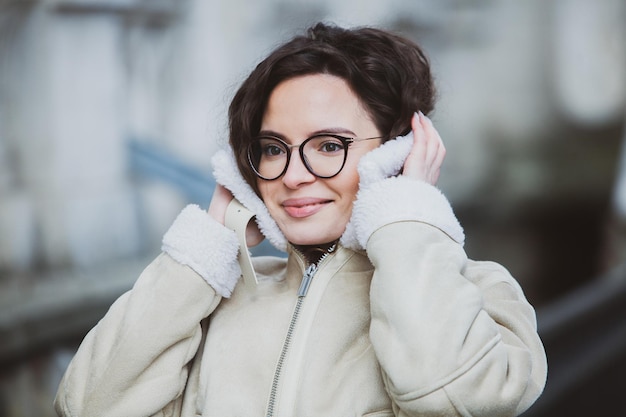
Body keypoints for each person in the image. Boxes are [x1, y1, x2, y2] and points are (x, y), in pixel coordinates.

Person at [54, 22, 547, 417]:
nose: (292, 176)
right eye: (272, 150)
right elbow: (86, 407)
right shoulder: (210, 306)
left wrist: (407, 213)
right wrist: (202, 251)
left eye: (329, 146)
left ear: (396, 154)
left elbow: (451, 400)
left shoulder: (481, 297)